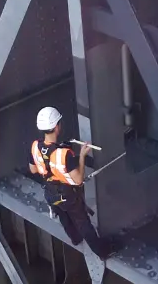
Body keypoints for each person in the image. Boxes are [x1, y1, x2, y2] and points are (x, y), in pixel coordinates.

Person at [29, 107, 109, 258]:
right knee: (83, 223)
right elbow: (78, 180)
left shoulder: (36, 147)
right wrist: (82, 156)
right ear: (56, 126)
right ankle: (102, 252)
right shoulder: (64, 155)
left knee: (64, 217)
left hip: (50, 193)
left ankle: (75, 239)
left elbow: (33, 169)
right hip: (68, 195)